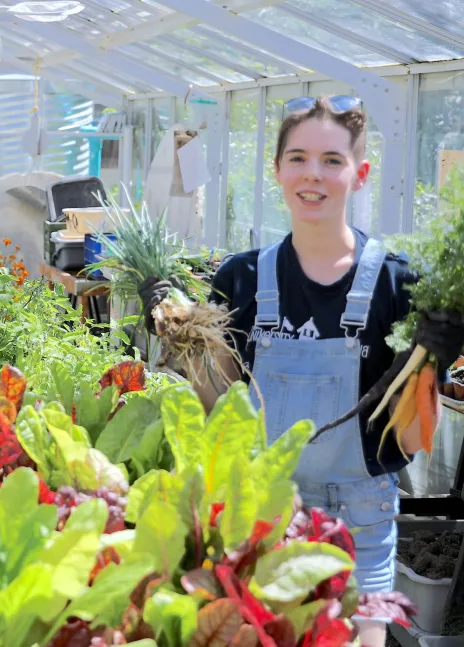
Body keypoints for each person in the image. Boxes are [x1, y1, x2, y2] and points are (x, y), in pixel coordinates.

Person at [142, 95, 459, 647]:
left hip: (362, 519)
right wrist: (184, 337)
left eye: (333, 160)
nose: (314, 174)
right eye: (299, 158)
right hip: (262, 510)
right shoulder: (240, 279)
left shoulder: (399, 285)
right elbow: (220, 409)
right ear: (277, 170)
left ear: (360, 174)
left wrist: (434, 358)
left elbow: (410, 437)